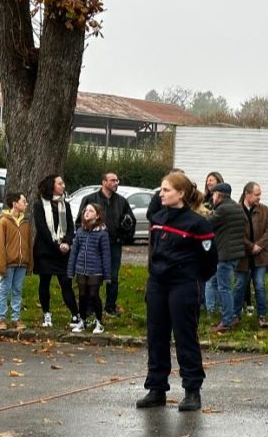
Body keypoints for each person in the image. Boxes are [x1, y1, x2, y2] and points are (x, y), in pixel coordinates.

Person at [137, 172, 217, 412]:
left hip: (183, 284)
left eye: (166, 190)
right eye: (161, 189)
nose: (161, 194)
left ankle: (192, 390)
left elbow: (209, 259)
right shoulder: (159, 217)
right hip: (158, 283)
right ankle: (156, 388)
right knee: (156, 335)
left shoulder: (197, 223)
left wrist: (193, 279)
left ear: (180, 193)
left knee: (185, 337)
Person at [76, 172, 136, 317]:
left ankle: (110, 306)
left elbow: (131, 221)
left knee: (113, 276)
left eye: (117, 180)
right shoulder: (90, 199)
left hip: (114, 244)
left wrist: (125, 233)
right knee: (92, 275)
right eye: (113, 180)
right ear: (104, 182)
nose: (116, 183)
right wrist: (85, 237)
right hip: (94, 243)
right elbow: (79, 221)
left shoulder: (122, 201)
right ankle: (89, 307)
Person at [32, 174, 80, 329]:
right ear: (51, 186)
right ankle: (46, 313)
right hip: (45, 250)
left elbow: (71, 227)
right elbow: (42, 229)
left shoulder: (64, 204)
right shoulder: (39, 205)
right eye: (60, 183)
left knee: (66, 282)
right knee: (44, 282)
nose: (63, 185)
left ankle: (75, 314)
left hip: (63, 251)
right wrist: (56, 246)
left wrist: (66, 242)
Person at [206, 182, 249, 333]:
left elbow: (206, 224)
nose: (212, 197)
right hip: (236, 252)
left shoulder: (222, 209)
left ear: (219, 195)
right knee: (221, 284)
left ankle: (227, 321)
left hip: (225, 253)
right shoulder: (237, 207)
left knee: (224, 287)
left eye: (214, 194)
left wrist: (207, 213)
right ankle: (231, 315)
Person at [234, 182, 268, 329]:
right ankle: (235, 315)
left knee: (259, 285)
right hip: (242, 255)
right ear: (247, 194)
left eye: (260, 194)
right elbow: (236, 232)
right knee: (239, 285)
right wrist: (251, 246)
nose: (259, 197)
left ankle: (262, 316)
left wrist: (259, 245)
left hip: (261, 255)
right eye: (256, 194)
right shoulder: (237, 210)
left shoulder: (264, 210)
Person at [67, 203, 111, 333]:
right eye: (85, 210)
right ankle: (83, 321)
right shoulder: (80, 231)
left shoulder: (102, 233)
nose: (87, 212)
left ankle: (99, 321)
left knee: (93, 295)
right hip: (81, 269)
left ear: (97, 215)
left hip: (95, 270)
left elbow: (106, 255)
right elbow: (74, 252)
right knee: (82, 295)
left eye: (91, 211)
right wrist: (70, 270)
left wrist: (107, 275)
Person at [0, 192, 33, 330]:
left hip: (21, 263)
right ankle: (1, 318)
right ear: (15, 204)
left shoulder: (25, 222)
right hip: (8, 263)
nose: (26, 204)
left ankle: (16, 318)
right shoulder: (3, 222)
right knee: (4, 289)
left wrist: (29, 262)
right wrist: (1, 265)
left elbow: (28, 243)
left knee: (17, 290)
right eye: (23, 201)